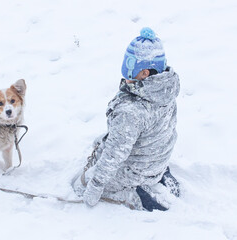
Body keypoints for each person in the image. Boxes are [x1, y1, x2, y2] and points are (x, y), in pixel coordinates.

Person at [73, 27, 181, 211]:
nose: (125, 69)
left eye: (130, 64)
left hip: (137, 170)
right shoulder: (164, 89)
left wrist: (96, 185)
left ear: (145, 72)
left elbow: (115, 154)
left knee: (80, 186)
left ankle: (136, 194)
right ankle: (158, 174)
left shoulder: (130, 111)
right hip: (157, 159)